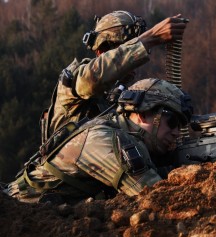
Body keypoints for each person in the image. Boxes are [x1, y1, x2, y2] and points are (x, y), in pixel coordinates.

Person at [6, 78, 192, 203]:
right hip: (19, 215)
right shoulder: (105, 139)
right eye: (172, 122)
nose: (176, 132)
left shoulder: (122, 133)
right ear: (142, 113)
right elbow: (156, 197)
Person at [41, 10, 188, 144]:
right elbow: (92, 79)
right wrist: (150, 38)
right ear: (102, 51)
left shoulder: (120, 95)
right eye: (125, 48)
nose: (133, 63)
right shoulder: (76, 79)